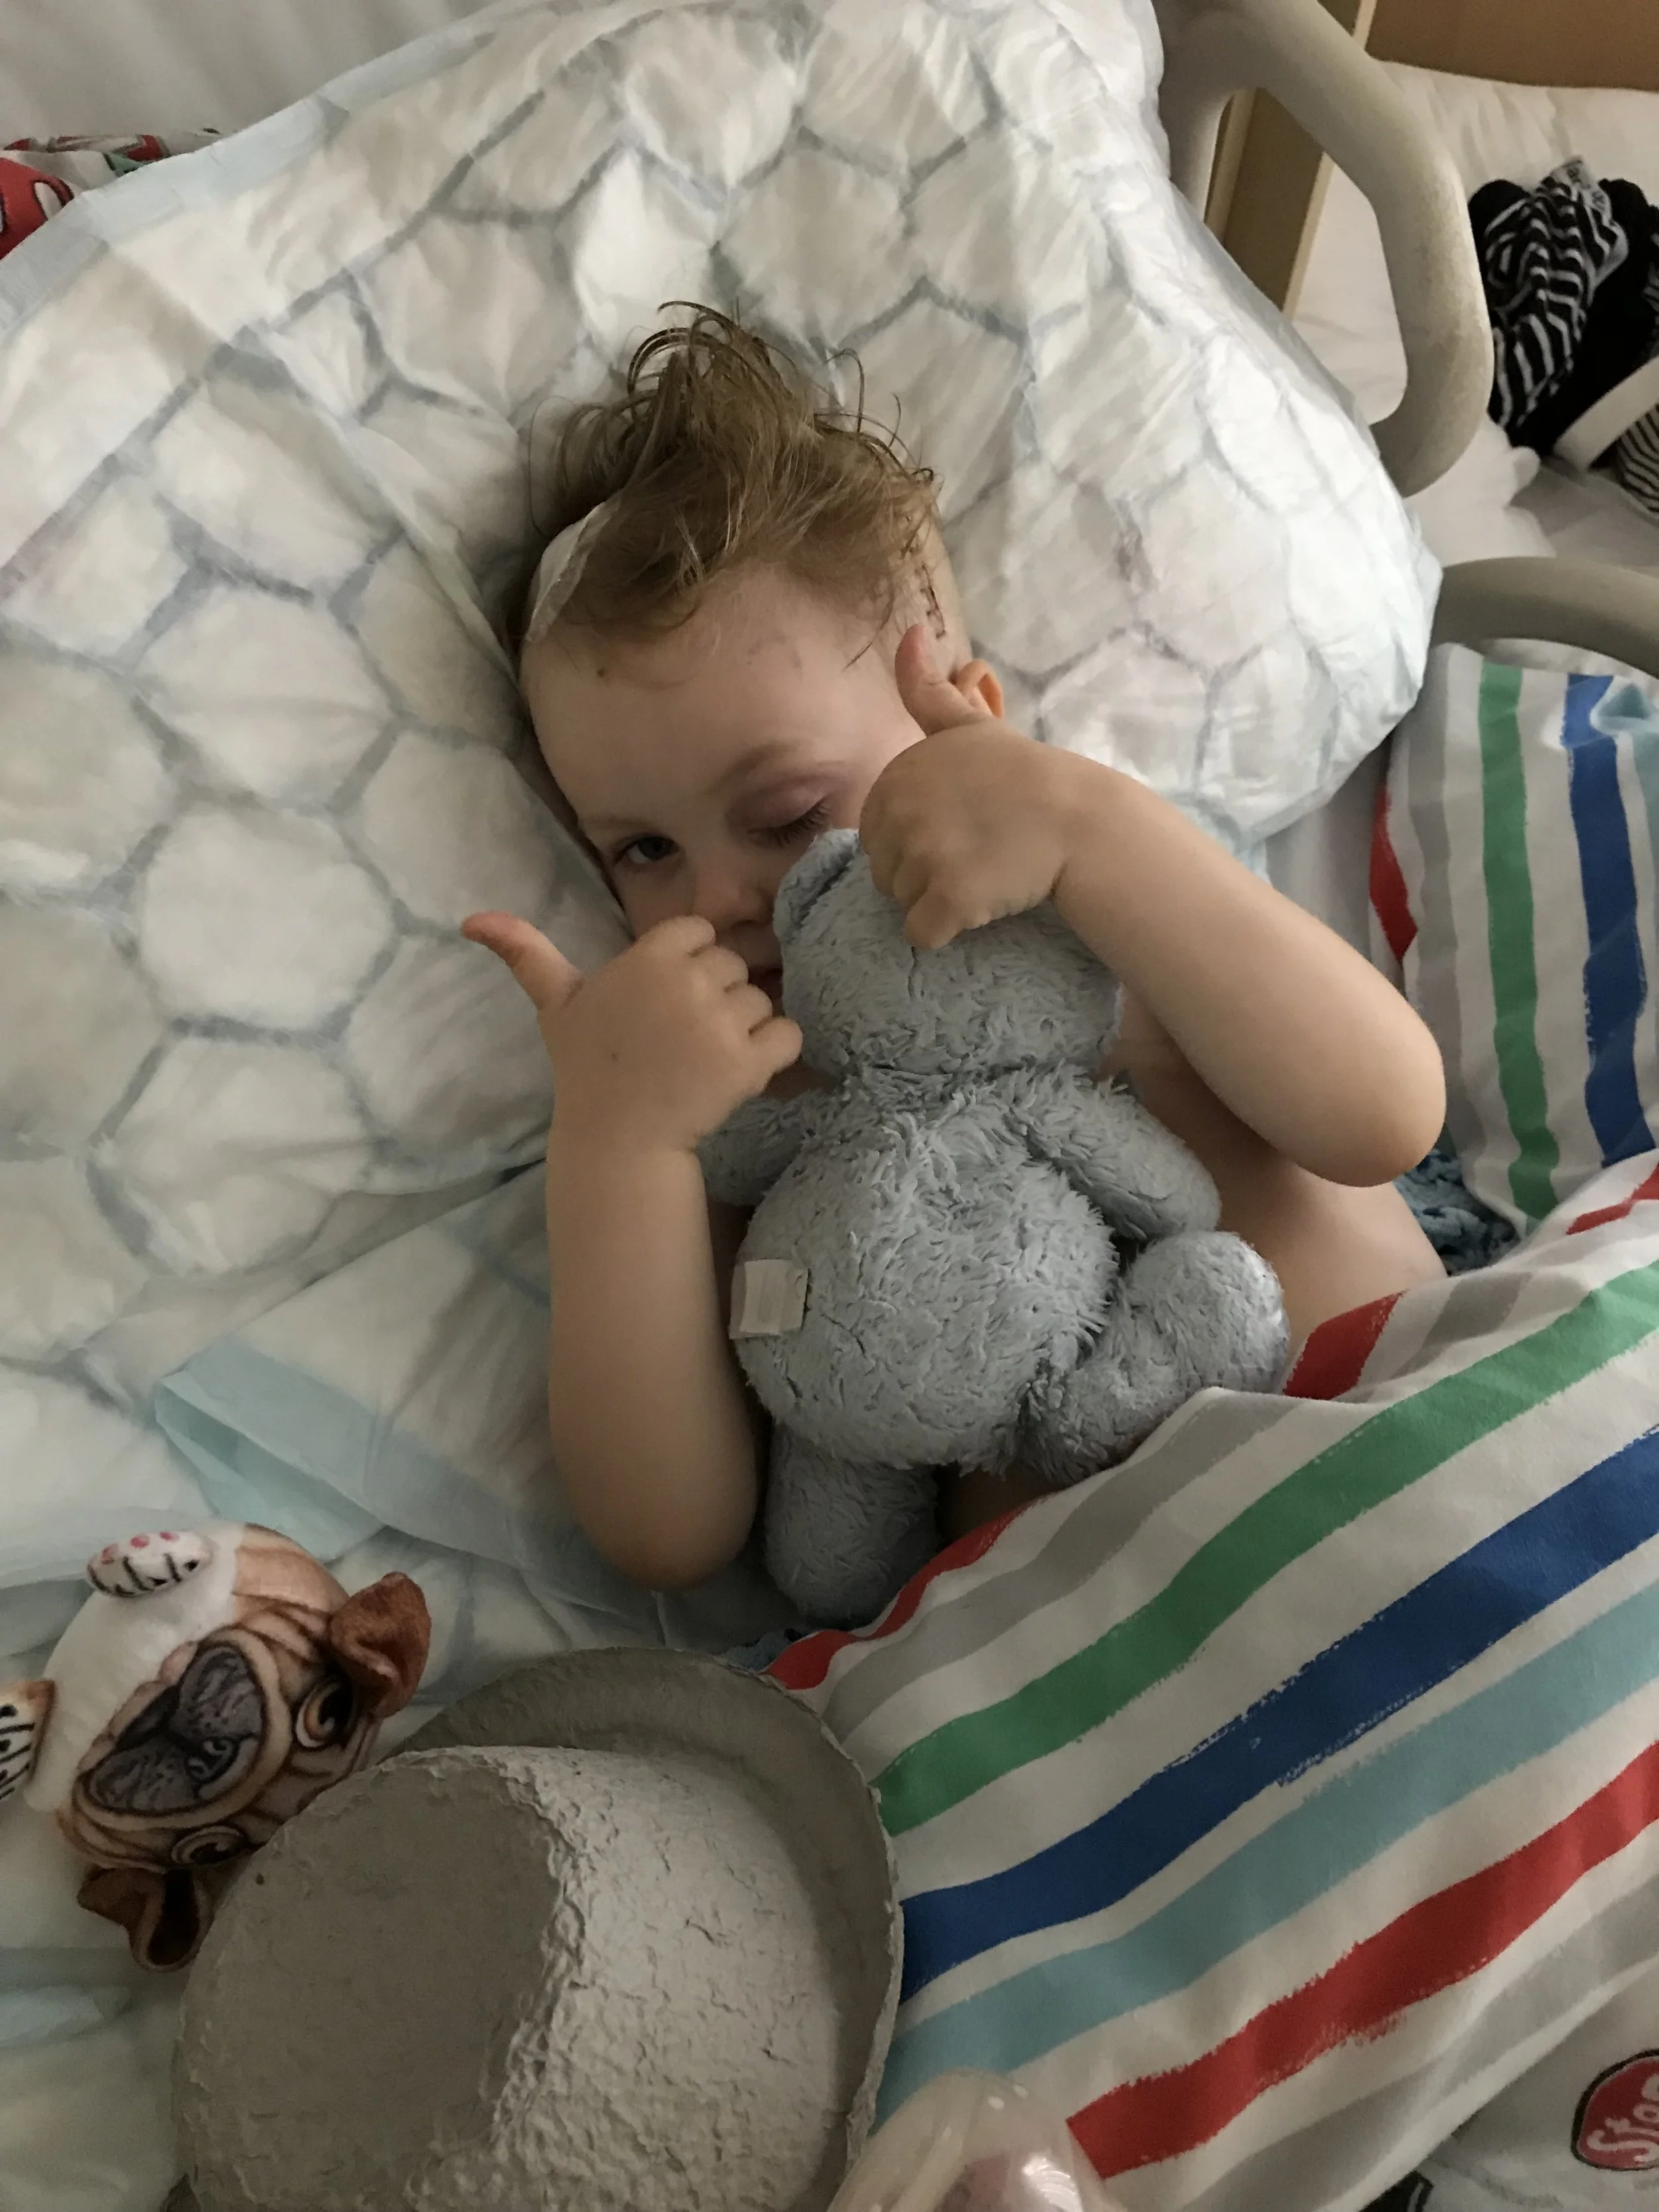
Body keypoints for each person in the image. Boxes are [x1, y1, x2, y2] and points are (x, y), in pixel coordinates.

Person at [463, 309, 1446, 1595]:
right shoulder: (742, 1101)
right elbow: (669, 1531)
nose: (715, 897)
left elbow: (1383, 1116)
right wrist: (618, 1148)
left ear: (964, 725)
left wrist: (1090, 828)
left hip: (1411, 1453)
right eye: (639, 852)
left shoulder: (1109, 914)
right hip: (1117, 1646)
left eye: (783, 814)